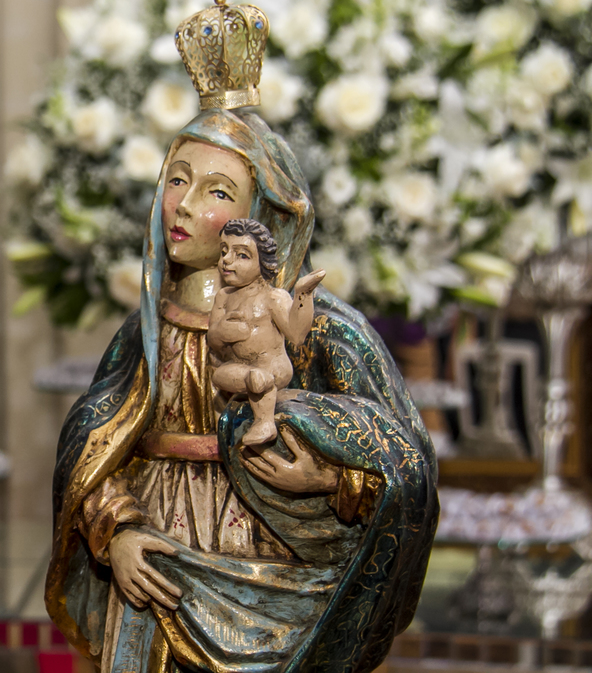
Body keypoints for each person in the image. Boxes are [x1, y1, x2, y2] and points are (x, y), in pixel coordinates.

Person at [45, 106, 438, 673]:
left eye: (216, 191)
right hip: (155, 564)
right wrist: (119, 532)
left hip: (269, 549)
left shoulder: (317, 329)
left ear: (260, 217)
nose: (182, 203)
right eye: (176, 179)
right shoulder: (146, 333)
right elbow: (93, 448)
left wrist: (330, 479)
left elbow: (401, 461)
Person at [207, 218, 325, 446]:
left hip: (272, 366)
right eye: (224, 251)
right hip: (241, 368)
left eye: (241, 255)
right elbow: (213, 338)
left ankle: (264, 423)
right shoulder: (224, 296)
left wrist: (303, 294)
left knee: (262, 375)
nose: (227, 260)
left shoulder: (273, 297)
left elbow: (297, 335)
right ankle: (254, 380)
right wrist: (224, 332)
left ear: (263, 262)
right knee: (220, 375)